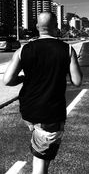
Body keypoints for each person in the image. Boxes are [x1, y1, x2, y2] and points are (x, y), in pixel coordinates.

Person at [3, 12, 82, 174]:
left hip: (28, 111)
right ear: (56, 28)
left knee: (42, 150)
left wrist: (24, 78)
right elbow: (77, 81)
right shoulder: (67, 49)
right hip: (51, 113)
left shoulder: (24, 49)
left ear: (38, 27)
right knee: (41, 159)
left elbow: (8, 80)